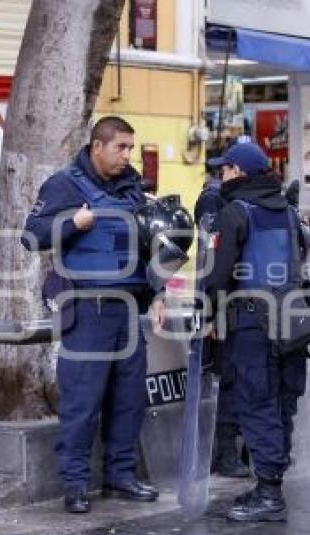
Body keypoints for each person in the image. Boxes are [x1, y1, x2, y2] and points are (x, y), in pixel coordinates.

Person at [22, 116, 165, 514]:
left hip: (127, 311)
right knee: (82, 402)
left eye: (130, 148)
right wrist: (73, 222)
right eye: (120, 147)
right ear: (97, 147)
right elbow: (31, 235)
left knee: (128, 399)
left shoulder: (132, 187)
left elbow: (145, 245)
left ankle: (121, 475)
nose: (127, 156)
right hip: (87, 310)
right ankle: (76, 484)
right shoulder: (65, 184)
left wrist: (156, 292)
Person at [205, 142, 309, 522]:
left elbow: (216, 276)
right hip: (294, 320)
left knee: (256, 401)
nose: (222, 176)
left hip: (252, 322)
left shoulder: (235, 212)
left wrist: (208, 313)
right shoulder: (289, 212)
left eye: (226, 169)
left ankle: (268, 494)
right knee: (282, 402)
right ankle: (271, 478)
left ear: (239, 173)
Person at [193, 165, 250, 479]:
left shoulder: (243, 202)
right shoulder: (214, 200)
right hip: (222, 305)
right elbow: (212, 262)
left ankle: (238, 449)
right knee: (226, 380)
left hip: (240, 304)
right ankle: (226, 452)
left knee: (240, 379)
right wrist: (210, 312)